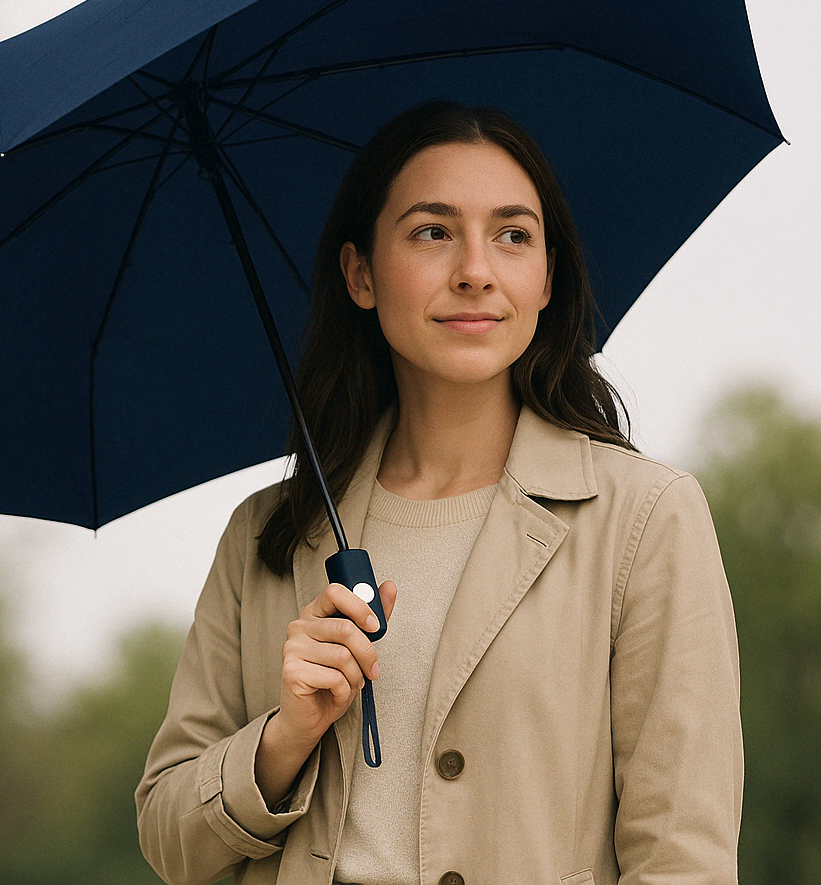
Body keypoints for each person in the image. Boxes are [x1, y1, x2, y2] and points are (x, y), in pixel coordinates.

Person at [135, 101, 741, 885]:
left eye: (514, 235)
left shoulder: (644, 518)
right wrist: (284, 737)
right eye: (432, 231)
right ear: (360, 274)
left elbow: (683, 858)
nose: (476, 270)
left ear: (547, 275)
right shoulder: (269, 535)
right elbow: (167, 837)